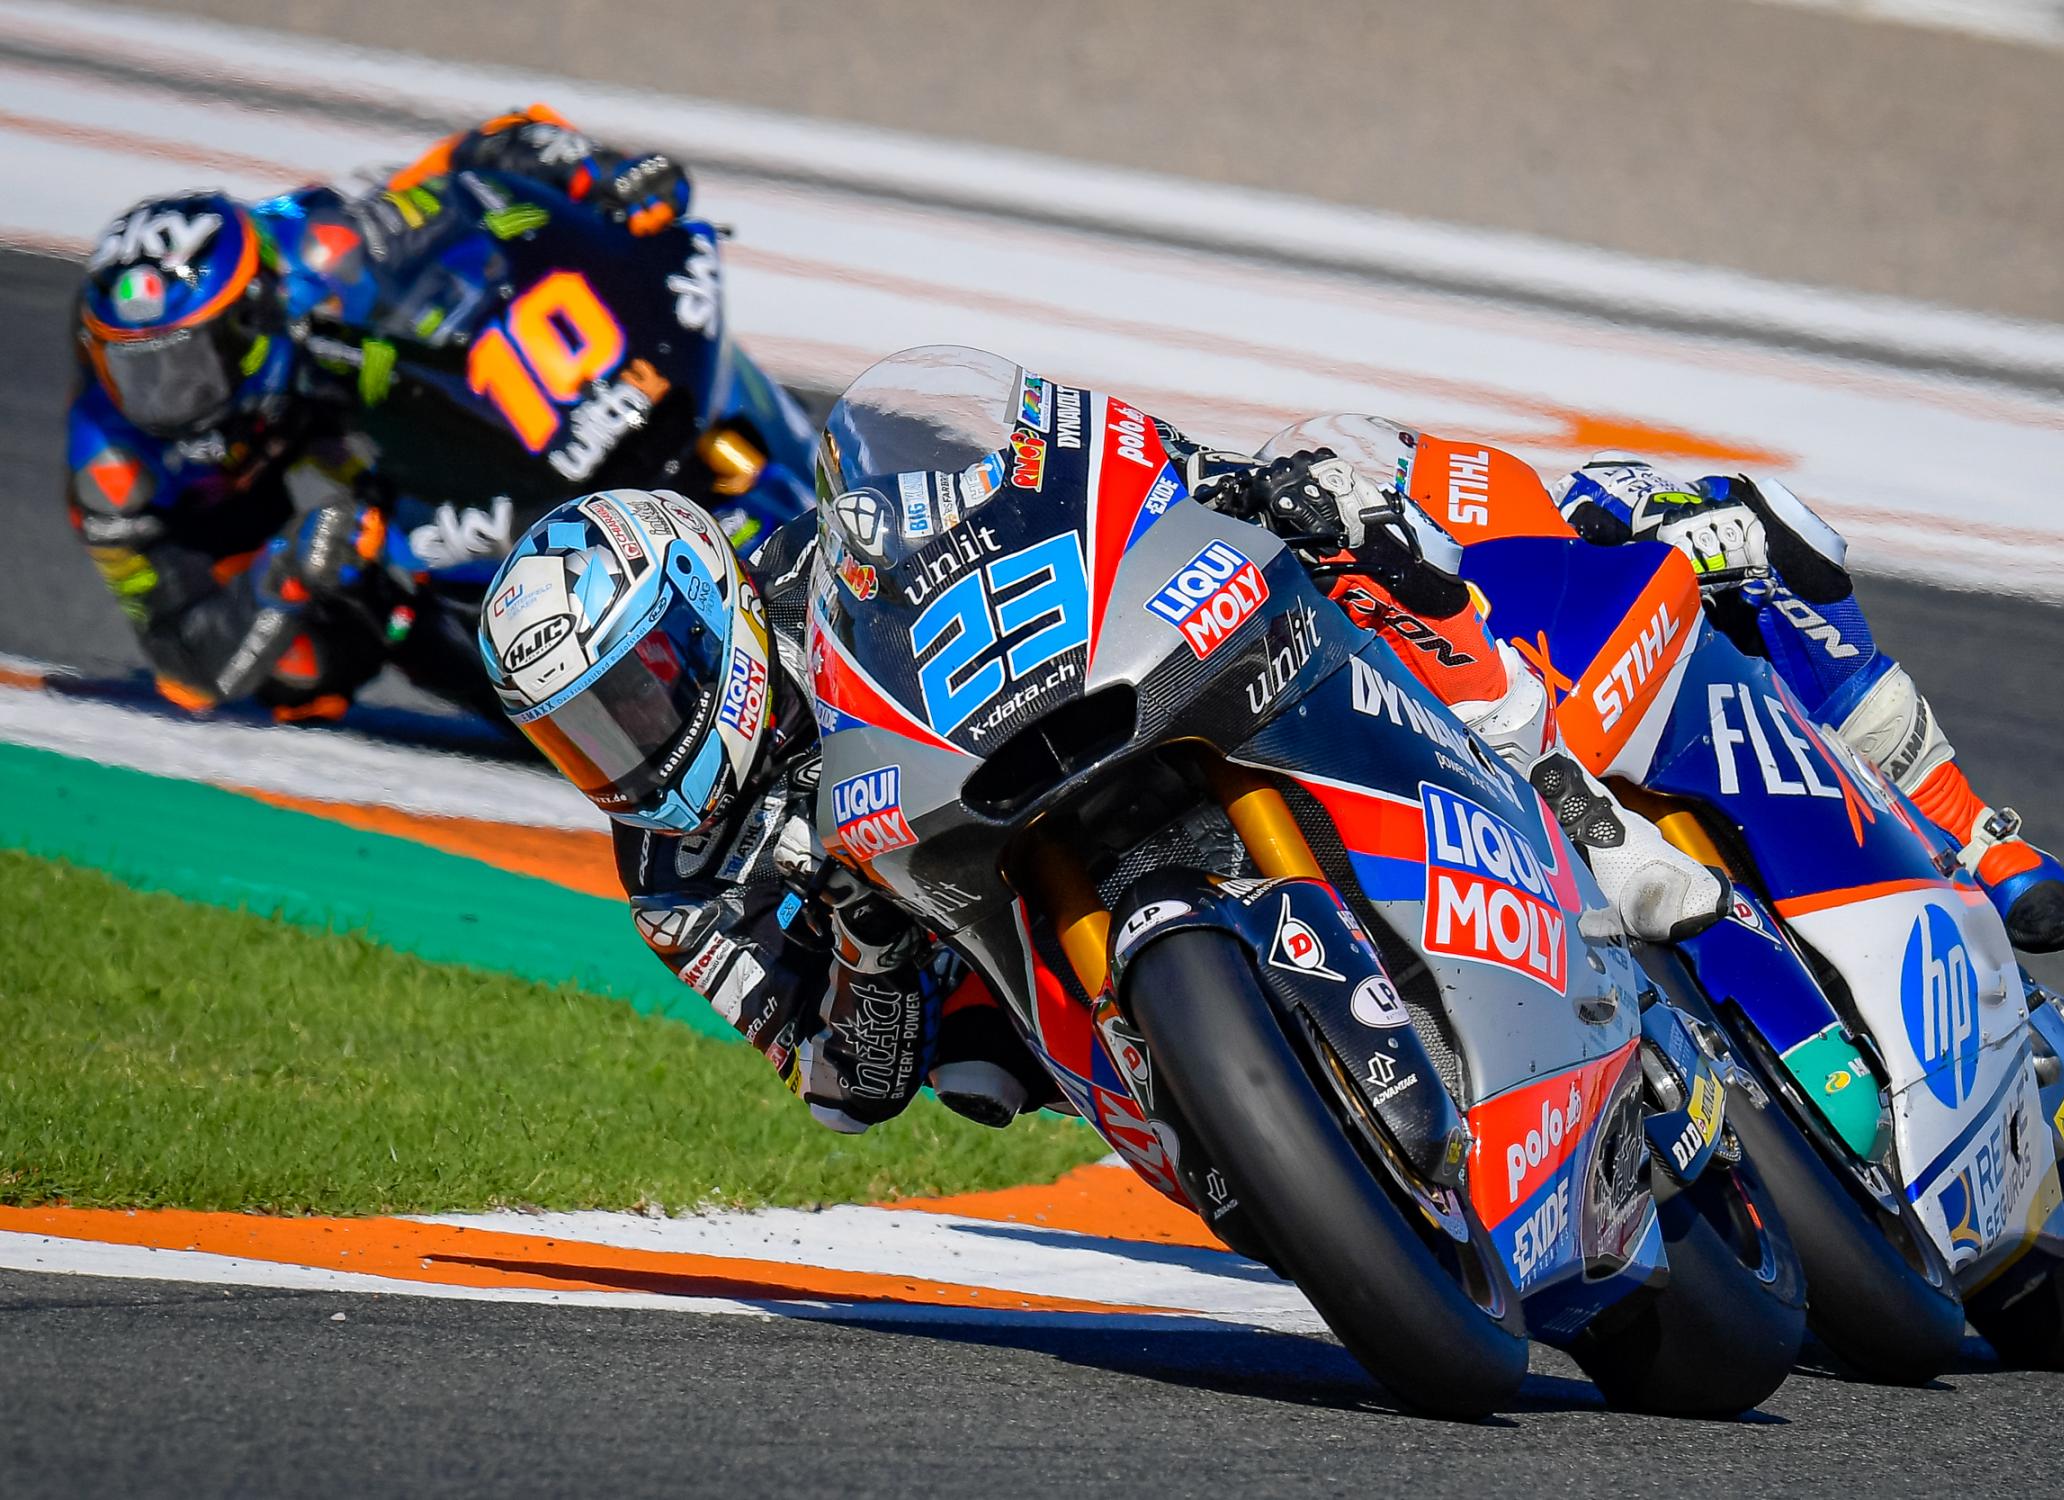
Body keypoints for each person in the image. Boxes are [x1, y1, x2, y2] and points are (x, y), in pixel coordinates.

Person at [474, 435, 1729, 1136]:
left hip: (1041, 726)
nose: (622, 748)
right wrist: (862, 947)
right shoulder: (673, 881)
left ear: (700, 614)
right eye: (578, 736)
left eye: (631, 698)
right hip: (984, 937)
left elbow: (1043, 479)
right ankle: (1249, 1128)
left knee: (1330, 522)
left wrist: (1215, 480)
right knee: (973, 1078)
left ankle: (1563, 798)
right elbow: (842, 1091)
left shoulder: (817, 554)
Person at [67, 105, 691, 721]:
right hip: (241, 516)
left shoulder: (318, 244)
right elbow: (188, 668)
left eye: (186, 364)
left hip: (352, 410)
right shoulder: (113, 464)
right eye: (131, 369)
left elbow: (475, 155)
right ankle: (498, 671)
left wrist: (596, 170)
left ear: (249, 319)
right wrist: (283, 571)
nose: (161, 396)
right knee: (302, 670)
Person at [1549, 453, 2064, 953]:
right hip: (1553, 752)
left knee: (1742, 521)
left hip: (1697, 700)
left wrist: (1675, 524)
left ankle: (1967, 830)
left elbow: (1610, 494)